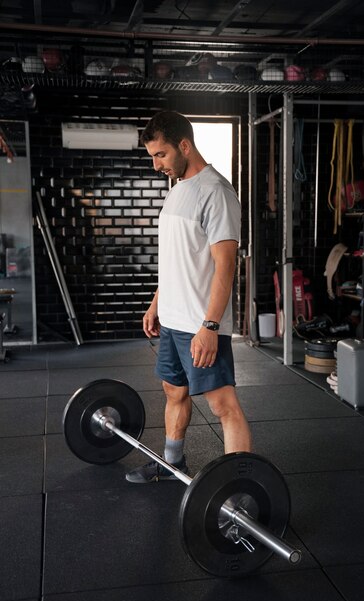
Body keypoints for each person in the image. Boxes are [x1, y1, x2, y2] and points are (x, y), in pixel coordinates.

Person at [126, 110, 252, 483]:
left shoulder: (216, 191)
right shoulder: (178, 190)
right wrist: (156, 305)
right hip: (173, 320)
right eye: (152, 156)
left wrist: (210, 325)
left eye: (160, 154)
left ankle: (243, 487)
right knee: (173, 390)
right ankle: (172, 463)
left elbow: (226, 265)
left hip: (200, 323)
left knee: (223, 405)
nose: (155, 165)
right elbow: (176, 260)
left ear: (184, 145)